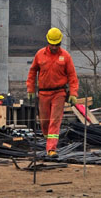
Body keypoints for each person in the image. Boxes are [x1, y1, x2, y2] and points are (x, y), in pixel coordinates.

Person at [26, 27, 79, 159]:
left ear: (60, 43)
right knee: (44, 121)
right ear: (48, 42)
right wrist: (31, 89)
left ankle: (51, 148)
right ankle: (48, 140)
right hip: (43, 93)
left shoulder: (65, 57)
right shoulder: (40, 55)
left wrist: (73, 93)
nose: (54, 47)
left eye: (57, 44)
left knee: (55, 121)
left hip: (59, 93)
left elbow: (72, 76)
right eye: (52, 44)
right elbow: (32, 72)